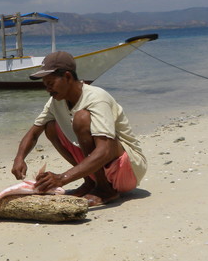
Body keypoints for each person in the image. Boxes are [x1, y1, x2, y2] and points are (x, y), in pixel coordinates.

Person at [11, 51, 147, 206]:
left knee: (81, 118)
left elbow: (106, 150)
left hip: (129, 168)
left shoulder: (96, 97)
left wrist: (62, 178)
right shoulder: (55, 102)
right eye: (45, 84)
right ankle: (90, 181)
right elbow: (34, 133)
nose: (47, 89)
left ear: (68, 77)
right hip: (101, 166)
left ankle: (105, 190)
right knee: (50, 127)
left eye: (51, 83)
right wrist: (19, 158)